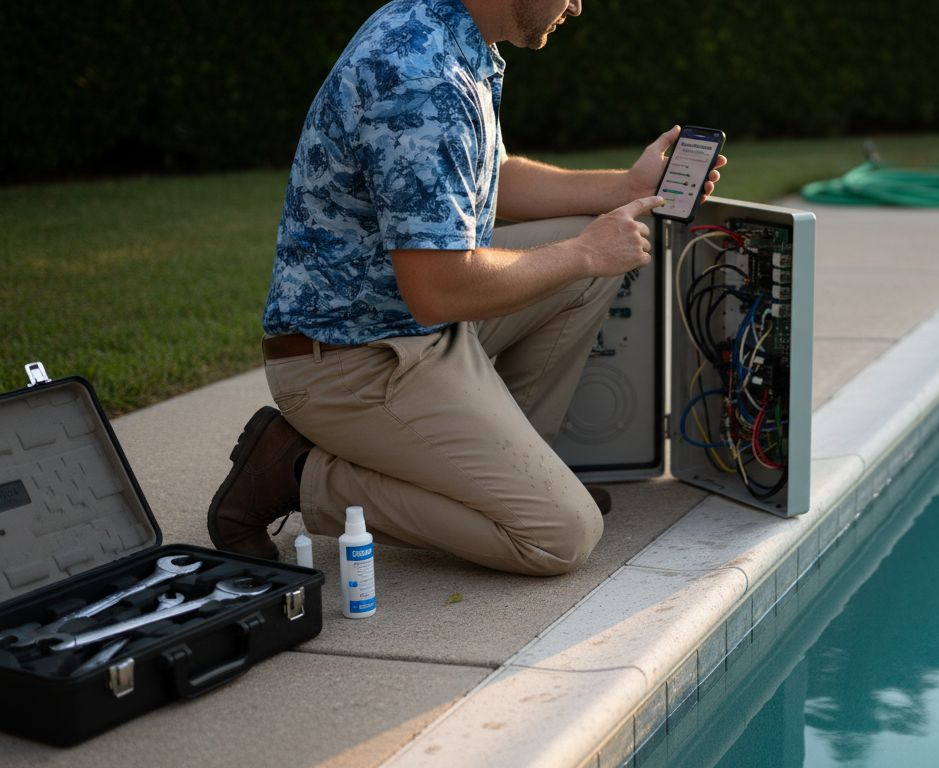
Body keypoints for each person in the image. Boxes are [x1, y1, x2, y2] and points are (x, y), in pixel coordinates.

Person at [206, 0, 725, 576]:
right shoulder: (423, 78)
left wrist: (625, 186)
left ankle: (509, 477)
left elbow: (488, 182)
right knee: (560, 536)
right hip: (356, 362)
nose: (577, 6)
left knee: (588, 258)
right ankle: (297, 470)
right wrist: (582, 253)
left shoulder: (446, 33)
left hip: (410, 327)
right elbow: (439, 291)